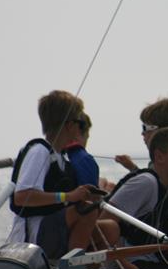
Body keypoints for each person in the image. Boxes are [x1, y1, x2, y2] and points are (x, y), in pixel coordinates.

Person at [7, 90, 119, 259]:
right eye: (78, 122)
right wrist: (68, 196)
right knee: (86, 211)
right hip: (33, 238)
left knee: (110, 228)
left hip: (52, 229)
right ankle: (72, 268)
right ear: (69, 125)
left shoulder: (60, 157)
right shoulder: (39, 152)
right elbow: (22, 196)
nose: (79, 128)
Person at [103, 126, 168, 269]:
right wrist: (124, 265)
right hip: (134, 268)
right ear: (159, 157)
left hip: (155, 266)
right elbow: (104, 223)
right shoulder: (146, 183)